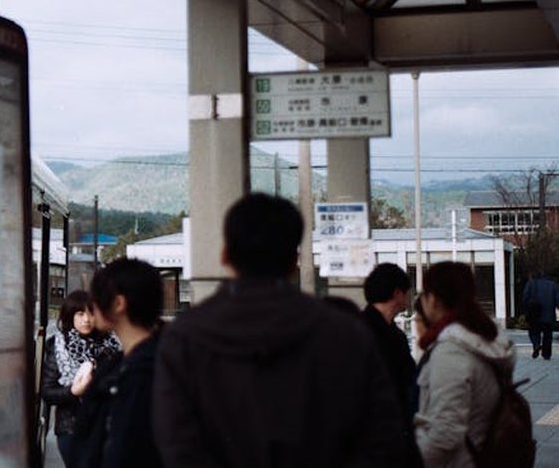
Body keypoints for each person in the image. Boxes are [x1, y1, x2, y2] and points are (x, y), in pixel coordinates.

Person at [151, 192, 404, 467]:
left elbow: (177, 445)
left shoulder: (185, 337)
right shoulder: (346, 333)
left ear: (224, 255)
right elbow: (383, 439)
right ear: (294, 261)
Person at [415, 261, 515, 466]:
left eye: (423, 295)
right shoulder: (485, 339)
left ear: (432, 299)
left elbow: (444, 435)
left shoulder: (452, 351)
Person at [72, 259, 164, 468]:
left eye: (96, 300)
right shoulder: (126, 362)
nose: (92, 309)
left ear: (118, 304)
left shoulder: (142, 373)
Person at [39, 291, 120, 467]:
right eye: (80, 313)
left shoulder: (112, 343)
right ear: (70, 316)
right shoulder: (58, 346)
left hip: (109, 427)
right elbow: (47, 391)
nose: (87, 319)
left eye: (91, 313)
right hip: (71, 428)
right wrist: (73, 391)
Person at [362, 263, 419, 464]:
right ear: (397, 293)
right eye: (407, 292)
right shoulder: (389, 336)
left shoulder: (356, 329)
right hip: (383, 437)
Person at [522, 270, 559, 359]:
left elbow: (525, 297)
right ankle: (546, 354)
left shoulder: (531, 284)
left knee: (534, 331)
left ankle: (536, 344)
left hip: (534, 314)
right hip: (549, 314)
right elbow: (558, 299)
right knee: (548, 334)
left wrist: (526, 309)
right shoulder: (553, 285)